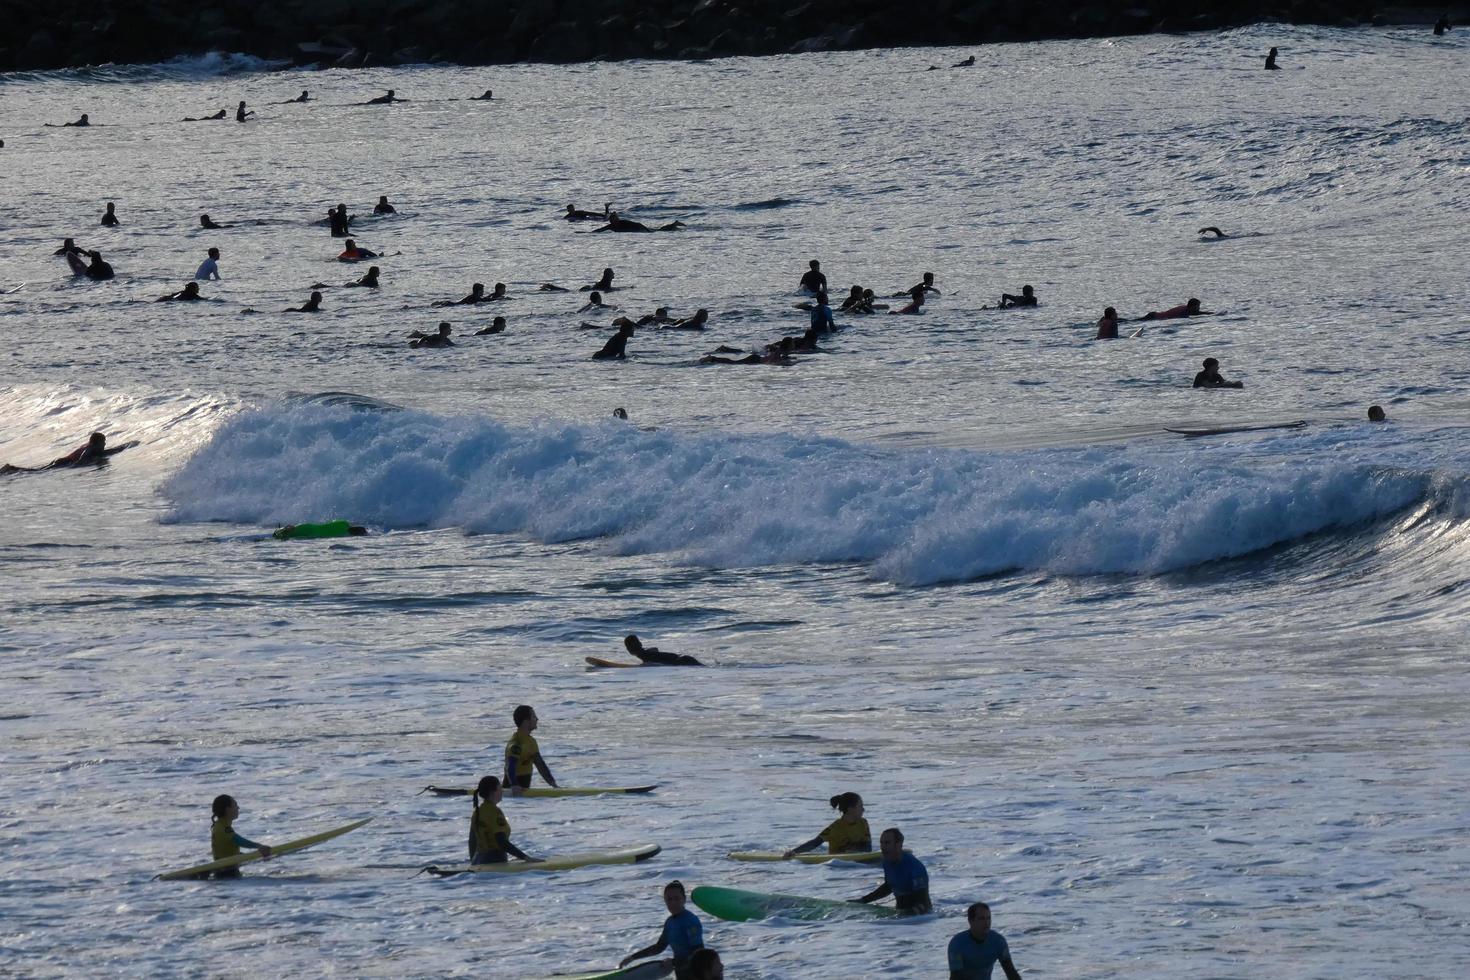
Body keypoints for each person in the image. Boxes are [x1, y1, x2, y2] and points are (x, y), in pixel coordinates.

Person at [620, 880, 705, 979]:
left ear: (684, 899)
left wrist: (673, 962)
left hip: (696, 975)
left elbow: (699, 955)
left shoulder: (691, 921)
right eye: (669, 899)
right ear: (665, 901)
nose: (673, 903)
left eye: (676, 898)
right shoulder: (670, 922)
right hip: (681, 974)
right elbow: (659, 947)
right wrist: (632, 957)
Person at [856, 827, 930, 914]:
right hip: (900, 914)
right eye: (881, 843)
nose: (883, 847)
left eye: (887, 843)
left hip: (919, 918)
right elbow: (889, 886)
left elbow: (923, 903)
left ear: (899, 844)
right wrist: (863, 900)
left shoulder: (915, 867)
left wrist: (906, 915)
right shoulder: (887, 862)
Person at [469, 775, 540, 864]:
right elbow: (502, 842)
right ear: (493, 792)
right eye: (500, 788)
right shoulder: (495, 812)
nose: (502, 791)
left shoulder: (477, 811)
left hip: (478, 859)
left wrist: (473, 863)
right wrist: (526, 857)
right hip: (495, 860)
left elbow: (472, 840)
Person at [949, 902, 1023, 980]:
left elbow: (1011, 972)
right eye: (981, 918)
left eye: (988, 918)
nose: (986, 922)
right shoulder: (958, 944)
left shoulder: (998, 941)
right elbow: (955, 977)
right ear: (971, 921)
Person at [785, 792, 871, 857]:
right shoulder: (835, 828)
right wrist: (794, 852)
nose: (863, 809)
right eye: (860, 806)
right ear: (850, 809)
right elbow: (815, 843)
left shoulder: (863, 823)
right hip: (839, 864)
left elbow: (868, 847)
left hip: (858, 862)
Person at [208, 794, 271, 879]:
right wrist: (259, 846)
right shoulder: (222, 828)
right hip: (226, 875)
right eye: (235, 805)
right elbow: (238, 840)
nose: (238, 808)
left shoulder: (220, 826)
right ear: (228, 809)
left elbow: (226, 851)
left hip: (226, 872)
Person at [505, 704, 557, 793]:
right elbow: (511, 767)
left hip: (523, 791)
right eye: (534, 716)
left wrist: (553, 785)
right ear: (526, 721)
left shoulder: (532, 742)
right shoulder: (516, 744)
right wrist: (514, 785)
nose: (537, 719)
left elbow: (540, 765)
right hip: (512, 791)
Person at [623, 634, 703, 666]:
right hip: (685, 658)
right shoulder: (647, 652)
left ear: (628, 649)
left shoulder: (645, 657)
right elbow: (655, 649)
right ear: (640, 644)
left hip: (683, 661)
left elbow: (651, 662)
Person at [593, 210, 683, 232]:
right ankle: (673, 225)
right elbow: (600, 230)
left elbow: (638, 224)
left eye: (614, 219)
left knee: (656, 231)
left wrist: (646, 230)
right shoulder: (611, 226)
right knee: (657, 230)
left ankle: (673, 225)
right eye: (611, 220)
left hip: (639, 228)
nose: (612, 221)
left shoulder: (622, 222)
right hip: (636, 229)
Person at [272, 520, 367, 540]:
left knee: (284, 533)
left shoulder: (343, 523)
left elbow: (331, 522)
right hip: (311, 532)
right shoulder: (344, 535)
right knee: (283, 535)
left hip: (311, 526)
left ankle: (279, 530)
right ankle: (279, 531)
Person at [1141, 298, 1211, 320]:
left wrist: (1210, 314)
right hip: (1153, 317)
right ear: (1193, 307)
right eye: (1198, 306)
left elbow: (1197, 313)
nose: (1199, 308)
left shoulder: (1186, 308)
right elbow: (1196, 313)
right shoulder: (1183, 312)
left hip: (1154, 315)